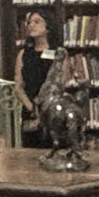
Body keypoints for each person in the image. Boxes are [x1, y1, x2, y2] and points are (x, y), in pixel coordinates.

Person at [11, 9, 61, 146]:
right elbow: (18, 86)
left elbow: (61, 83)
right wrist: (31, 107)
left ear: (48, 27)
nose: (31, 25)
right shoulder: (23, 54)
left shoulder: (58, 53)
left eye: (37, 21)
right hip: (30, 109)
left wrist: (46, 108)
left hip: (52, 110)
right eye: (29, 22)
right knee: (31, 152)